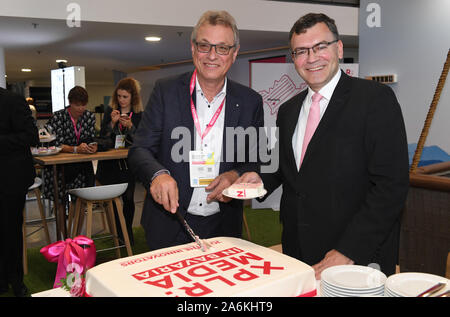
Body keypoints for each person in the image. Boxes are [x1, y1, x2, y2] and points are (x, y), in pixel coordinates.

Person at [235, 13, 409, 278]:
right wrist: (256, 179)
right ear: (293, 59)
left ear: (338, 48)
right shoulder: (288, 110)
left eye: (320, 47)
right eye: (301, 51)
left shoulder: (374, 100)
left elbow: (390, 187)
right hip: (297, 250)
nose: (311, 58)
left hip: (355, 256)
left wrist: (349, 250)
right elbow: (286, 166)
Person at [129, 10, 264, 250]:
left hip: (223, 226)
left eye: (222, 48)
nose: (212, 55)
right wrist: (158, 174)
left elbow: (254, 161)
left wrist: (234, 177)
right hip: (168, 222)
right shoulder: (165, 91)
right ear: (193, 49)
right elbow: (140, 149)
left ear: (234, 54)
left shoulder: (250, 101)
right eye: (205, 45)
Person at [0, 87, 39, 296]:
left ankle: (16, 282)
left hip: (11, 177)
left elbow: (32, 136)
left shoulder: (12, 100)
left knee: (11, 230)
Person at [96, 77, 144, 245]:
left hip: (128, 164)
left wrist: (131, 127)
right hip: (110, 165)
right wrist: (111, 123)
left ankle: (127, 231)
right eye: (119, 96)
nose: (121, 100)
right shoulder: (110, 112)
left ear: (133, 98)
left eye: (125, 97)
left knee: (129, 200)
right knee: (115, 200)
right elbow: (103, 140)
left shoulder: (138, 115)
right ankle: (119, 233)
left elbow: (141, 141)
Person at [42, 86, 98, 203]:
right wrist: (75, 149)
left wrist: (92, 146)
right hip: (60, 167)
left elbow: (90, 138)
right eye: (77, 105)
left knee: (81, 201)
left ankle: (78, 220)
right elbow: (54, 143)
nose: (81, 108)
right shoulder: (58, 117)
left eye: (83, 105)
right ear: (70, 103)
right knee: (60, 201)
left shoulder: (89, 116)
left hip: (81, 166)